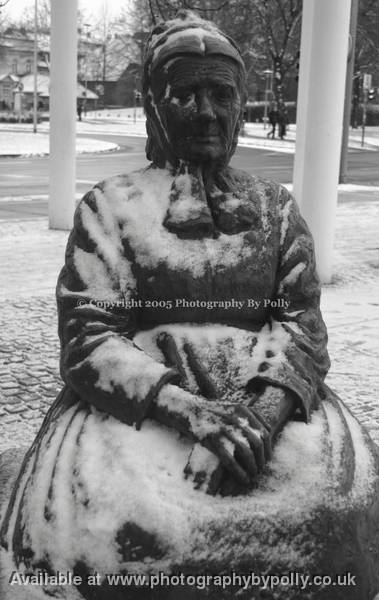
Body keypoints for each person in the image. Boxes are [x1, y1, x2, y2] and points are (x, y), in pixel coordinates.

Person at [1, 10, 379, 600]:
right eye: (186, 95)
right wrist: (192, 414)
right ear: (156, 107)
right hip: (143, 408)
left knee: (330, 506)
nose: (207, 111)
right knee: (128, 524)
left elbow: (301, 322)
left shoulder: (274, 206)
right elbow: (89, 337)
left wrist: (264, 413)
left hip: (266, 395)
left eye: (222, 94)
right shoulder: (110, 205)